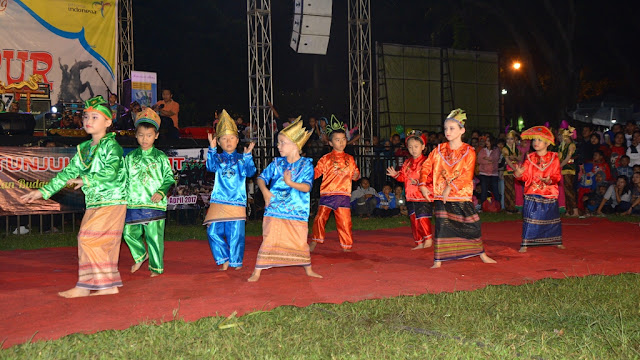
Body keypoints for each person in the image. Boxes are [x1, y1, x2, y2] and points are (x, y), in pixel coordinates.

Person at [20, 95, 127, 298]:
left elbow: (111, 172)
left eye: (95, 117)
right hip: (95, 202)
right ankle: (87, 285)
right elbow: (67, 174)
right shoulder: (84, 149)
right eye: (86, 116)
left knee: (88, 239)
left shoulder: (111, 146)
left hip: (113, 200)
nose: (88, 121)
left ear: (108, 121)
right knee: (89, 240)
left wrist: (86, 180)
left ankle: (105, 285)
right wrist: (42, 192)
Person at [418, 109, 496, 268]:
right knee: (443, 227)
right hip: (441, 196)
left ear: (462, 130)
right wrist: (422, 184)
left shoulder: (469, 151)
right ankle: (438, 260)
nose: (447, 132)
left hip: (461, 195)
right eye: (446, 128)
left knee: (472, 225)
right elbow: (426, 166)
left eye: (452, 128)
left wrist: (450, 187)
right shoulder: (439, 149)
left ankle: (481, 253)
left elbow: (467, 174)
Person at [248, 117, 321, 282]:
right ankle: (258, 271)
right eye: (278, 142)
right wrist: (265, 191)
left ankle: (308, 269)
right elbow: (261, 178)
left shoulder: (306, 165)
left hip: (296, 209)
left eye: (282, 142)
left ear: (295, 145)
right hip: (275, 207)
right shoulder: (277, 163)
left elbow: (307, 187)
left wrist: (290, 182)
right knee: (270, 238)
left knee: (300, 240)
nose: (278, 146)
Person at [122, 108, 176, 276]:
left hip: (154, 203)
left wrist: (161, 191)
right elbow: (122, 179)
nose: (145, 139)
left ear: (156, 136)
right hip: (133, 202)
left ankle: (156, 268)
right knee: (128, 232)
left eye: (149, 135)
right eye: (141, 135)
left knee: (154, 237)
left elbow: (169, 178)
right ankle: (140, 255)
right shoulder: (130, 157)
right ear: (136, 135)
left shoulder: (160, 157)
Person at [203, 110, 256, 270]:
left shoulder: (242, 158)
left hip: (237, 201)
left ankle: (235, 261)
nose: (228, 141)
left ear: (237, 140)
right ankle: (223, 258)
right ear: (218, 142)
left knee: (236, 234)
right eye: (224, 139)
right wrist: (211, 150)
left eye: (231, 138)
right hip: (218, 200)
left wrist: (248, 157)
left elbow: (251, 172)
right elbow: (210, 167)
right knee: (212, 231)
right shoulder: (217, 158)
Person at [309, 115, 360, 252]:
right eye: (337, 140)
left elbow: (355, 174)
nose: (341, 142)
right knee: (320, 218)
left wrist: (356, 176)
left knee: (345, 222)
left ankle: (346, 246)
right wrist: (305, 177)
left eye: (343, 139)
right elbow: (316, 172)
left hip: (343, 194)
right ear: (330, 143)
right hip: (328, 193)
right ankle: (315, 240)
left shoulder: (350, 158)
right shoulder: (326, 159)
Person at [513, 126, 563, 253]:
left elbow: (557, 176)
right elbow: (525, 177)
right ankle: (525, 243)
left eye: (539, 140)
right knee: (530, 218)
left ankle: (556, 240)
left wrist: (549, 179)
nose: (536, 142)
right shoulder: (529, 158)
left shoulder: (554, 157)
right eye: (534, 140)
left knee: (551, 219)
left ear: (547, 143)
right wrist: (518, 173)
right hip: (532, 192)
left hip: (549, 193)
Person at [387, 131, 433, 249]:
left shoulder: (426, 162)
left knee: (422, 218)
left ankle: (428, 239)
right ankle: (419, 241)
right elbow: (403, 177)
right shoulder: (407, 162)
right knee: (413, 219)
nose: (413, 149)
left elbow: (432, 177)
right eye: (410, 147)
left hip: (422, 195)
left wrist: (420, 183)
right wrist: (396, 175)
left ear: (423, 147)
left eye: (416, 146)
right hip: (410, 196)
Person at [557, 127, 579, 217]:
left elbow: (567, 158)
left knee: (569, 189)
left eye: (561, 136)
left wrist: (559, 166)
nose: (560, 138)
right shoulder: (563, 146)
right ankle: (569, 210)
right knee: (565, 190)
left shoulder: (571, 145)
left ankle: (575, 210)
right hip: (563, 168)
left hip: (569, 168)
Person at [477, 134, 501, 210]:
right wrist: (489, 161)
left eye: (488, 141)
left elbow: (495, 158)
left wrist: (486, 159)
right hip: (483, 173)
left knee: (495, 190)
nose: (486, 142)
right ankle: (483, 206)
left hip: (493, 173)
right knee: (484, 190)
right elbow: (479, 160)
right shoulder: (482, 150)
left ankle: (498, 206)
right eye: (486, 141)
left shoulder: (496, 150)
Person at [502, 130, 523, 213]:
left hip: (516, 170)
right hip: (509, 170)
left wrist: (515, 157)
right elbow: (508, 161)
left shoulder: (517, 149)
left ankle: (518, 207)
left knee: (517, 189)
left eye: (511, 139)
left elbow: (520, 158)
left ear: (514, 140)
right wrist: (515, 170)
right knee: (509, 190)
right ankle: (509, 208)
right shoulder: (505, 149)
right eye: (508, 139)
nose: (509, 141)